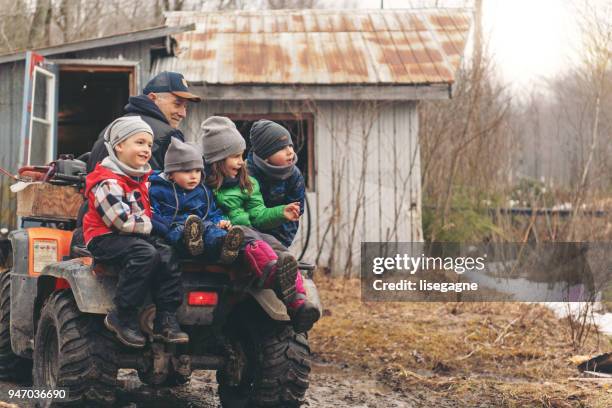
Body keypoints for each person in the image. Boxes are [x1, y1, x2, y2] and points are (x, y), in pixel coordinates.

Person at [199, 116, 320, 332]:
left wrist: (281, 213)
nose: (240, 162)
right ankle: (273, 273)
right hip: (231, 236)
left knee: (283, 254)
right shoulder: (203, 184)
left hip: (254, 231)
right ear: (217, 159)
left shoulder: (247, 181)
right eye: (235, 156)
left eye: (241, 156)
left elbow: (258, 213)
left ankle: (299, 304)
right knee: (250, 238)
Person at [83, 116, 188, 348]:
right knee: (144, 254)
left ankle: (166, 317)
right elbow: (120, 222)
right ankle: (123, 315)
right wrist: (155, 225)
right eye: (139, 143)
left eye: (149, 145)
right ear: (119, 146)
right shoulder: (107, 182)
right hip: (105, 237)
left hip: (135, 236)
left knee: (167, 253)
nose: (146, 149)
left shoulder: (145, 177)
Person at [149, 138, 244, 263]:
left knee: (212, 230)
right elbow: (154, 215)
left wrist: (220, 221)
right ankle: (190, 241)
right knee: (179, 232)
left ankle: (224, 244)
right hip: (174, 227)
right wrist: (166, 226)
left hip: (201, 226)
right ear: (171, 174)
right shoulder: (157, 189)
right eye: (187, 171)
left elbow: (212, 212)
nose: (194, 176)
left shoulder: (203, 190)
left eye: (198, 171)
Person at [87, 71, 201, 173]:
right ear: (152, 98)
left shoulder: (110, 128)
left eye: (185, 107)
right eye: (177, 104)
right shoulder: (169, 136)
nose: (183, 114)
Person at [246, 120, 305, 248]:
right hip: (250, 233)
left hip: (278, 235)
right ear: (266, 155)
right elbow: (244, 213)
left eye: (290, 145)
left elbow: (294, 215)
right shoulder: (246, 175)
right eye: (282, 148)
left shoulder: (295, 176)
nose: (290, 151)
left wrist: (280, 244)